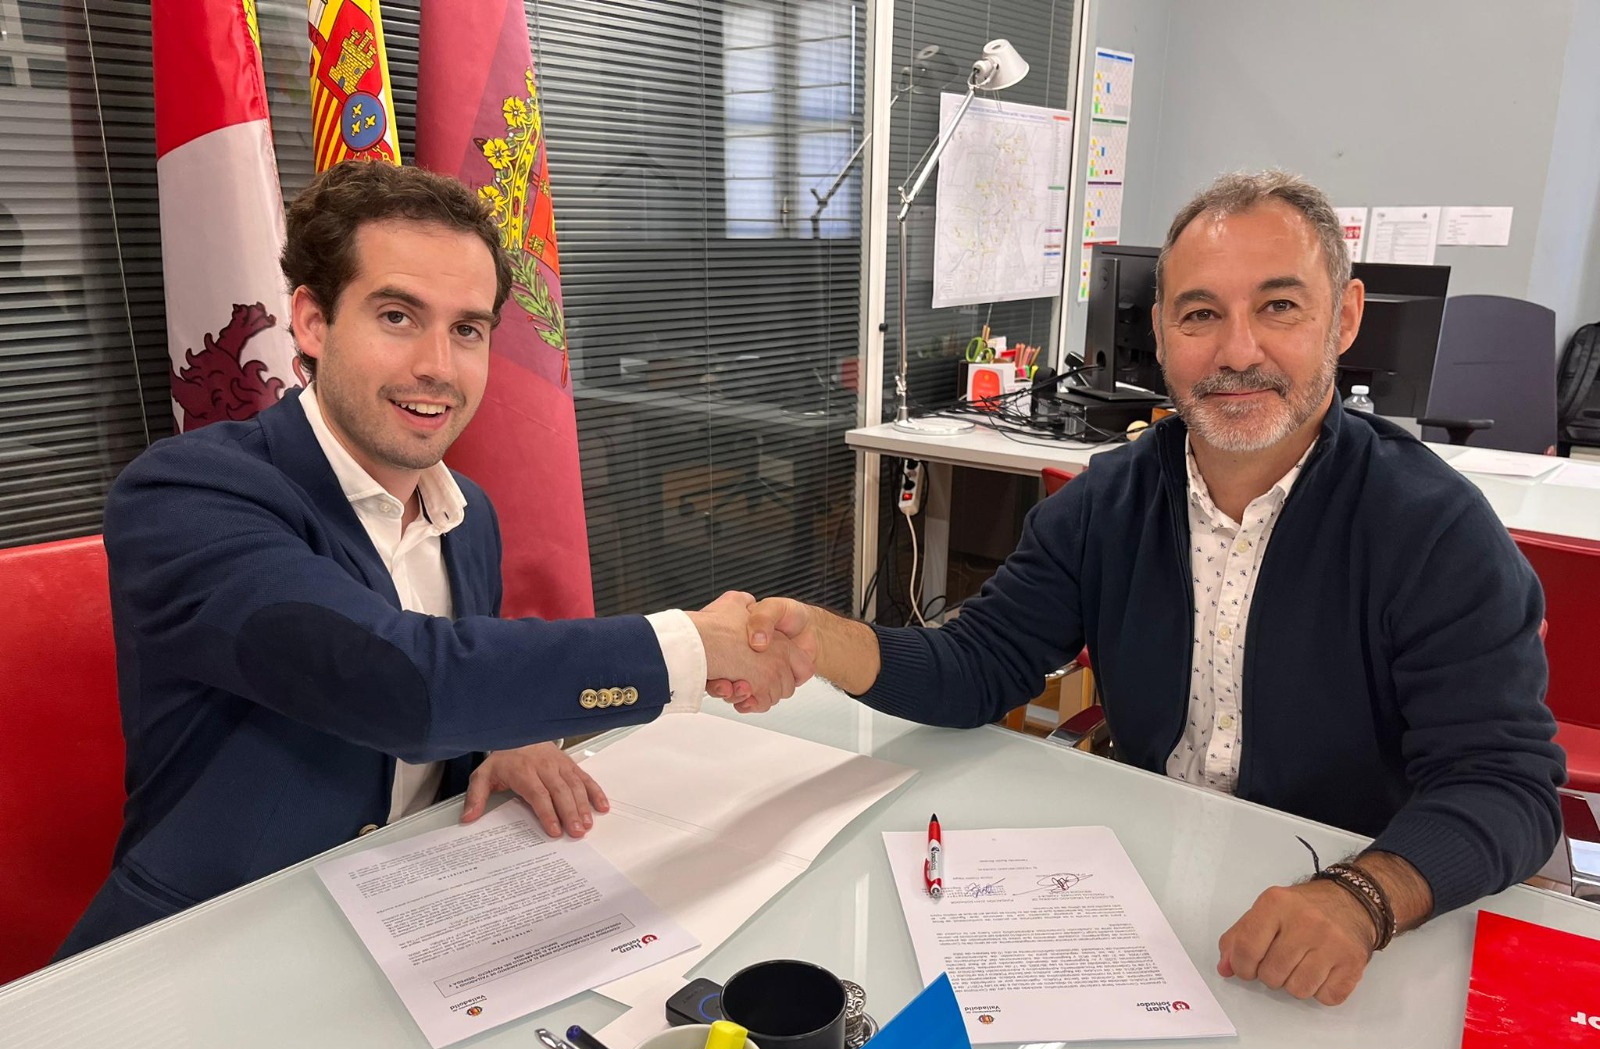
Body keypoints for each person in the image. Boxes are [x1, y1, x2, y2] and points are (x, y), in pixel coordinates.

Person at [730, 170, 1564, 1006]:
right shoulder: (1107, 503)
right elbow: (981, 665)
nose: (1238, 351)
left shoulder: (1433, 530)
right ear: (1161, 334)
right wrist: (821, 641)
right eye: (1200, 315)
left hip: (1352, 917)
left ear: (1344, 318)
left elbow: (1506, 786)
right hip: (1147, 888)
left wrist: (1364, 896)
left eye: (1279, 307)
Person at [58, 162, 807, 957]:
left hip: (417, 913)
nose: (439, 367)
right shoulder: (186, 496)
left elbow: (461, 686)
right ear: (312, 323)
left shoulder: (469, 515)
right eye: (397, 316)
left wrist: (506, 733)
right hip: (208, 947)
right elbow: (397, 683)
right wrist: (694, 646)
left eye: (468, 330)